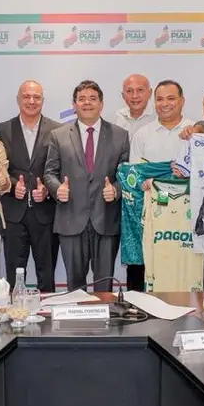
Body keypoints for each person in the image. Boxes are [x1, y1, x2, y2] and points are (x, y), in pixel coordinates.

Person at [44, 80, 130, 292]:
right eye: (81, 99)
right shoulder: (58, 136)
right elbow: (50, 173)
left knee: (104, 287)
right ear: (74, 105)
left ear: (101, 103)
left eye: (92, 98)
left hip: (106, 220)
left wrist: (116, 190)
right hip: (71, 219)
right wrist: (57, 189)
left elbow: (127, 176)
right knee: (75, 288)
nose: (87, 103)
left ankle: (106, 314)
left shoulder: (120, 135)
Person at [124, 80, 189, 291]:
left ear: (182, 101)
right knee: (144, 265)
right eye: (160, 99)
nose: (165, 104)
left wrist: (178, 177)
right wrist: (144, 183)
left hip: (184, 217)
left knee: (180, 265)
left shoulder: (194, 132)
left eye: (171, 98)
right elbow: (133, 176)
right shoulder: (143, 134)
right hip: (150, 213)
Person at [0, 81, 60, 292]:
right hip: (14, 213)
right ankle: (14, 311)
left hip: (46, 214)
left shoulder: (57, 130)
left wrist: (48, 190)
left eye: (36, 97)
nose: (31, 101)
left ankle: (47, 310)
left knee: (47, 276)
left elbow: (60, 169)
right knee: (14, 276)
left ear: (43, 100)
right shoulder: (3, 129)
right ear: (18, 99)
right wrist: (13, 186)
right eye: (26, 96)